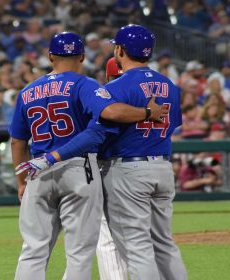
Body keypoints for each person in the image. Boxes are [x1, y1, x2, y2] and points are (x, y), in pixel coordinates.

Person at [10, 32, 166, 280]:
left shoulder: (27, 92)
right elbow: (112, 111)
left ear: (50, 56)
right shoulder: (85, 85)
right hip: (78, 169)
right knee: (79, 252)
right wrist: (148, 111)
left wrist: (20, 182)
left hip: (37, 171)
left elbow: (17, 141)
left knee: (32, 250)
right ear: (82, 56)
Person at [101, 24, 187, 280]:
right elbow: (173, 124)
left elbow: (101, 132)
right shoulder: (169, 84)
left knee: (137, 247)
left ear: (120, 50)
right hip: (161, 166)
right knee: (164, 244)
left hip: (129, 169)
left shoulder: (116, 88)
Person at [96, 57, 128, 280]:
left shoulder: (103, 98)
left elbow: (95, 136)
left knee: (106, 235)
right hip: (154, 165)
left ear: (107, 76)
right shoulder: (148, 93)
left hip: (112, 168)